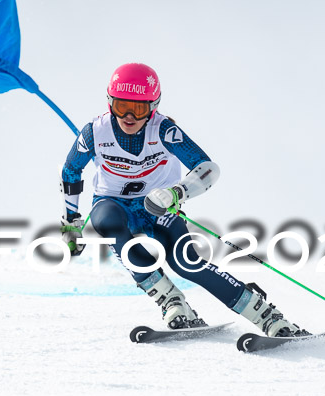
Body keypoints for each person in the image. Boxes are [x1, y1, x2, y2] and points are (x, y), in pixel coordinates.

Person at [59, 62, 308, 336]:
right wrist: (71, 223)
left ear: (153, 106)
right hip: (113, 203)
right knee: (105, 221)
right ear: (110, 103)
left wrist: (176, 192)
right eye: (121, 106)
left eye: (139, 109)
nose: (129, 116)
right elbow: (71, 170)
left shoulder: (163, 130)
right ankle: (171, 300)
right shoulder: (95, 131)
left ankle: (267, 317)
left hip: (156, 205)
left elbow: (208, 168)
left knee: (185, 262)